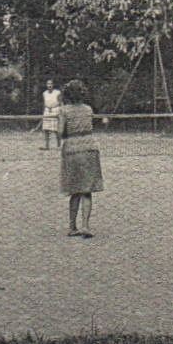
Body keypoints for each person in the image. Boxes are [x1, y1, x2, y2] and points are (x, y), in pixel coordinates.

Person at [56, 79, 103, 238]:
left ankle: (72, 226)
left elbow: (60, 132)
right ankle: (86, 226)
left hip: (72, 149)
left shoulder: (63, 111)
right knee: (87, 190)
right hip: (90, 147)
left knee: (75, 190)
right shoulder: (88, 109)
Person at [40, 79, 63, 150]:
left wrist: (61, 111)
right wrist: (43, 113)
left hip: (55, 110)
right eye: (48, 84)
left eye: (51, 84)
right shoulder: (44, 93)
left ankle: (59, 145)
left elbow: (61, 102)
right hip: (47, 111)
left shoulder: (57, 92)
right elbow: (44, 103)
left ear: (53, 85)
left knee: (56, 130)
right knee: (46, 129)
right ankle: (47, 146)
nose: (49, 85)